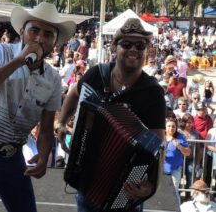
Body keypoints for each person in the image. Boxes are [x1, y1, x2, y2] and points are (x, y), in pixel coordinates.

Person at [0, 2, 76, 212]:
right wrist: (18, 61)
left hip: (13, 160)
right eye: (34, 31)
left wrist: (42, 155)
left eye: (48, 34)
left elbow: (47, 128)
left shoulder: (52, 79)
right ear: (22, 32)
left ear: (55, 42)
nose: (40, 38)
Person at [57, 18, 166, 212]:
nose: (134, 49)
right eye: (126, 44)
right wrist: (61, 123)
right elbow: (74, 92)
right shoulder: (96, 75)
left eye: (140, 45)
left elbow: (157, 143)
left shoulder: (152, 91)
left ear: (146, 51)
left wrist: (151, 185)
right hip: (88, 179)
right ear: (114, 48)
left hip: (125, 186)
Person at [164, 117, 190, 193]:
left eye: (173, 126)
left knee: (173, 192)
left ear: (176, 127)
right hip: (161, 169)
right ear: (165, 127)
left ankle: (176, 205)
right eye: (169, 126)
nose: (171, 128)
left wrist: (179, 146)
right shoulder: (161, 136)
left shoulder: (180, 137)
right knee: (162, 191)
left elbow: (188, 153)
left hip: (175, 169)